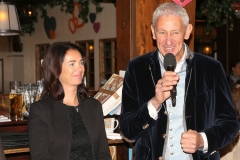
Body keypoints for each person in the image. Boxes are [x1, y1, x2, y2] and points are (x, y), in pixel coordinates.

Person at [120, 2, 239, 160]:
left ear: (187, 31)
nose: (168, 41)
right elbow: (127, 131)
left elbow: (231, 124)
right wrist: (155, 102)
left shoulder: (210, 68)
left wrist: (202, 139)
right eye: (162, 32)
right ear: (153, 32)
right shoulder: (137, 69)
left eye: (175, 32)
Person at [28, 42, 111, 160]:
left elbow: (104, 154)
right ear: (55, 69)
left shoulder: (94, 106)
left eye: (81, 63)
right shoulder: (41, 110)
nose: (80, 68)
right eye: (72, 64)